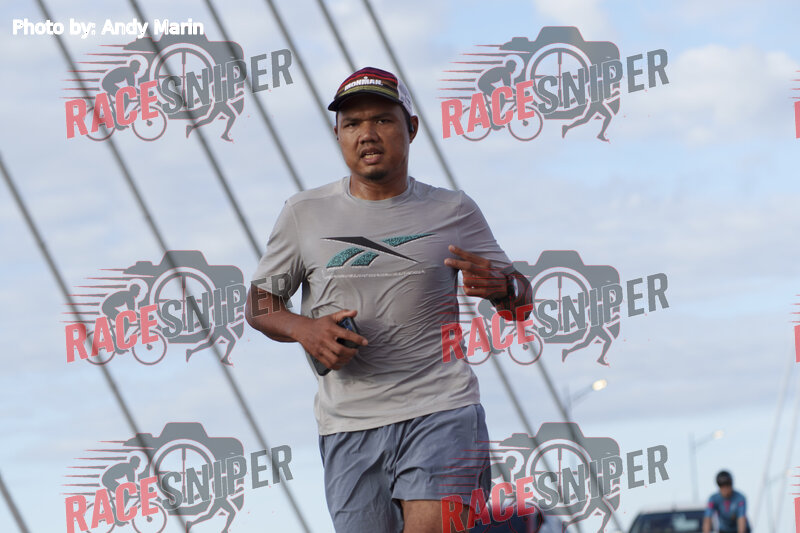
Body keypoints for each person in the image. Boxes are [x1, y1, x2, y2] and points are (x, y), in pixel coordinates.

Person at [245, 66, 532, 533]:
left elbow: (520, 301)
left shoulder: (453, 210)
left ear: (411, 128)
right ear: (337, 135)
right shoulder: (304, 213)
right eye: (352, 124)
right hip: (348, 425)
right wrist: (304, 329)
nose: (367, 134)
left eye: (382, 120)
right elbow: (260, 303)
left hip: (442, 408)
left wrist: (504, 289)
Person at [100, 455, 141, 526]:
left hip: (109, 479)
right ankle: (118, 516)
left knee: (125, 493)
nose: (138, 465)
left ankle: (115, 513)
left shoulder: (129, 467)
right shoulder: (129, 468)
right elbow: (132, 483)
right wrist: (142, 488)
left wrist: (139, 488)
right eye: (138, 463)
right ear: (134, 463)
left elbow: (132, 484)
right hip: (107, 479)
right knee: (125, 493)